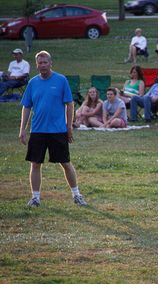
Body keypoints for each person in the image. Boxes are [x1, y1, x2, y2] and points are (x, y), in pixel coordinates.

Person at [19, 50, 87, 207]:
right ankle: (35, 198)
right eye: (40, 63)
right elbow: (27, 107)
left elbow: (69, 104)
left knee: (65, 162)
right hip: (37, 130)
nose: (43, 65)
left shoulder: (61, 80)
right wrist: (22, 129)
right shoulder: (33, 83)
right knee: (35, 163)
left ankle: (76, 195)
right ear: (36, 65)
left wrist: (68, 126)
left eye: (45, 62)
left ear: (51, 63)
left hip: (57, 130)